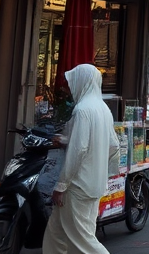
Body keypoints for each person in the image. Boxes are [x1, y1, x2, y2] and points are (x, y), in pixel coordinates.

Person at [43, 65, 121, 254]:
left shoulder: (82, 110)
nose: (69, 88)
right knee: (57, 233)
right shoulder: (102, 108)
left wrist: (61, 186)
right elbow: (113, 145)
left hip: (78, 184)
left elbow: (78, 150)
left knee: (82, 240)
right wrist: (105, 170)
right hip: (93, 182)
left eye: (72, 82)